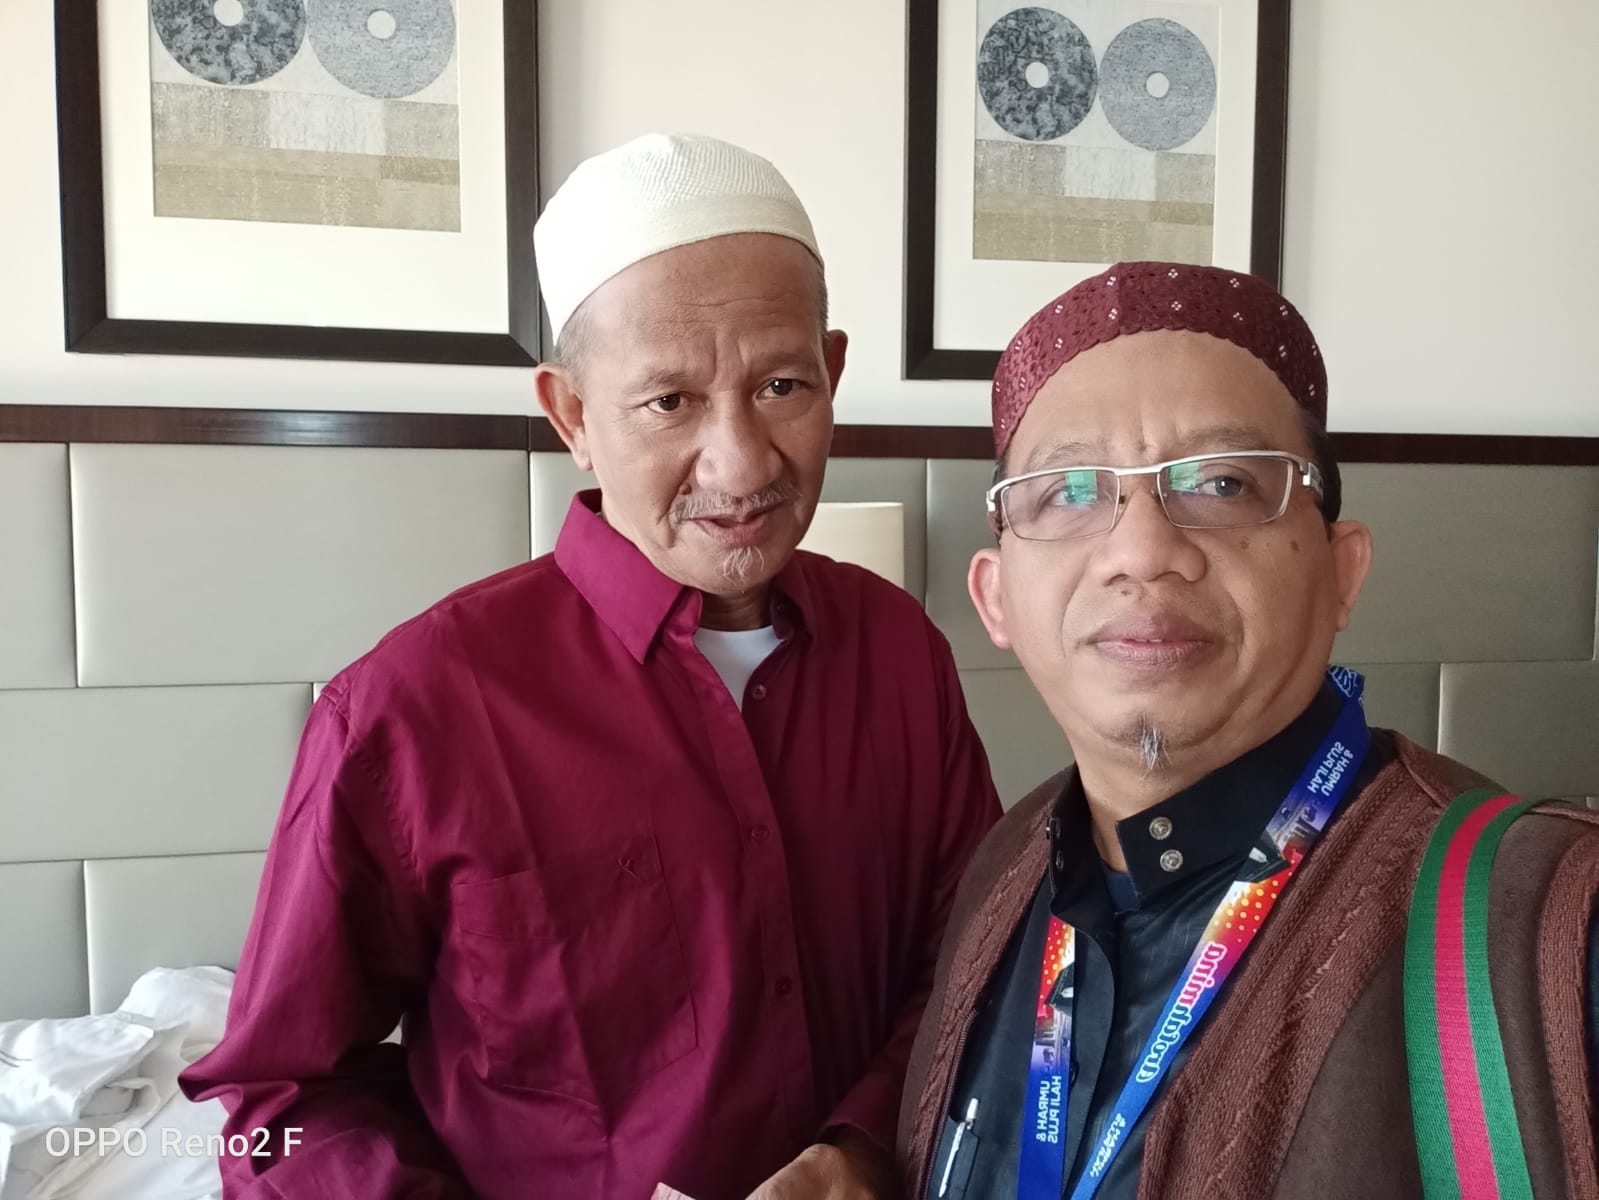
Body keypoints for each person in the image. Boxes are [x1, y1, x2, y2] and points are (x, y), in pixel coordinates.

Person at [181, 133, 1000, 1199]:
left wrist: (861, 1147)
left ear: (832, 372)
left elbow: (973, 965)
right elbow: (276, 1107)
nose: (741, 462)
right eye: (668, 402)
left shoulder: (897, 654)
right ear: (571, 414)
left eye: (781, 384)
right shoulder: (414, 710)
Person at [895, 262, 1599, 1199]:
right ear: (996, 600)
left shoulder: (1548, 927)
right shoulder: (1003, 870)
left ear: (1341, 572)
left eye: (1220, 482)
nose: (1141, 550)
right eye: (1068, 490)